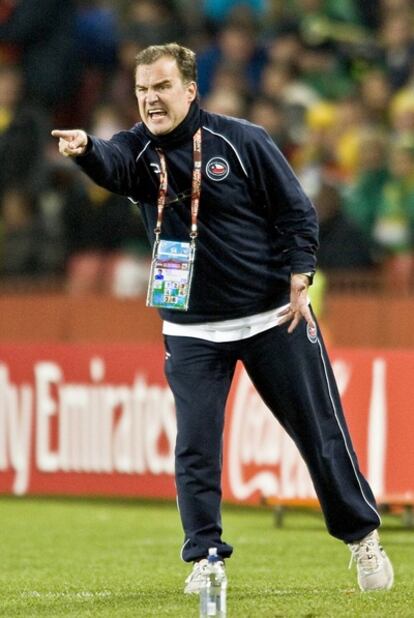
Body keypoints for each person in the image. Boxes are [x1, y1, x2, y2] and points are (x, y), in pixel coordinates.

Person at [52, 42, 394, 594]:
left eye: (161, 87)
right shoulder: (136, 151)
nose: (150, 100)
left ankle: (363, 539)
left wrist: (301, 273)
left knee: (321, 433)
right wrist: (89, 149)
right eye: (142, 90)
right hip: (191, 329)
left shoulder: (243, 141)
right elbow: (113, 167)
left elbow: (296, 211)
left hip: (272, 317)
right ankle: (206, 557)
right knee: (195, 446)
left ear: (190, 90)